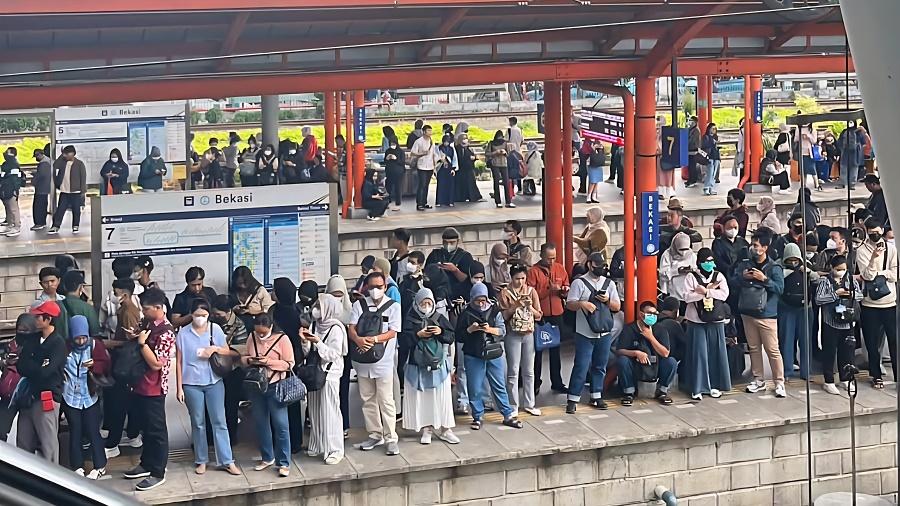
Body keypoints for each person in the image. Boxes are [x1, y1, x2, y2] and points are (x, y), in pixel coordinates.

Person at [175, 299, 240, 476]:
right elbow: (179, 361)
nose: (200, 319)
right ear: (191, 315)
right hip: (191, 383)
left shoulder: (215, 329)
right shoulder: (183, 333)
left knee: (220, 421)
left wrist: (214, 349)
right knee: (198, 423)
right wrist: (179, 387)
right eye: (197, 315)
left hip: (214, 381)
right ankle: (201, 459)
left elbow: (227, 351)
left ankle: (227, 460)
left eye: (203, 315)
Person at [122, 288, 176, 491]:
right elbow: (140, 336)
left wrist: (142, 344)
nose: (143, 312)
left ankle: (158, 471)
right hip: (139, 384)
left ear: (158, 308)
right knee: (145, 427)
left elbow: (156, 364)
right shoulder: (148, 323)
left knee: (156, 430)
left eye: (146, 308)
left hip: (154, 387)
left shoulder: (167, 332)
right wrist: (134, 336)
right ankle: (146, 463)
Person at [457, 283, 523, 430]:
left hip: (494, 353)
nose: (481, 304)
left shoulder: (495, 311)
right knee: (474, 387)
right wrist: (470, 329)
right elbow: (459, 336)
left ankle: (507, 414)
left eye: (483, 300)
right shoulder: (466, 313)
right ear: (472, 299)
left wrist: (489, 329)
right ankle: (477, 416)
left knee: (499, 384)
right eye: (477, 301)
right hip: (473, 354)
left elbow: (502, 331)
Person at [349, 272, 402, 455]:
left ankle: (391, 437)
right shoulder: (359, 305)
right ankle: (374, 433)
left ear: (385, 287)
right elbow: (352, 327)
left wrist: (373, 339)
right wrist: (357, 339)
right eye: (371, 287)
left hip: (384, 361)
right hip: (362, 361)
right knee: (367, 399)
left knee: (386, 400)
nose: (375, 290)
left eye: (379, 287)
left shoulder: (394, 307)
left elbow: (393, 331)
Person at [732, 228, 786, 397]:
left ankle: (779, 382)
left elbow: (780, 288)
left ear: (765, 247)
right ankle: (758, 379)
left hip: (767, 315)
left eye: (756, 245)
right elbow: (733, 281)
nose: (753, 248)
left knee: (772, 349)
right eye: (752, 245)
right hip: (748, 312)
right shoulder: (746, 264)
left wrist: (764, 279)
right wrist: (744, 277)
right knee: (754, 348)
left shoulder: (774, 267)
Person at [401, 288, 459, 444]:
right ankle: (427, 429)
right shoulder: (410, 318)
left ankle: (446, 429)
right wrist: (417, 335)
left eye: (429, 303)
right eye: (423, 303)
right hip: (417, 366)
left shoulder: (439, 318)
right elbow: (404, 342)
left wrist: (440, 331)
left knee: (441, 398)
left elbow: (451, 337)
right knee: (424, 399)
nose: (426, 306)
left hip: (438, 366)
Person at [565, 252, 621, 413]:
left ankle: (596, 395)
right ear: (590, 265)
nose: (601, 269)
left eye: (603, 266)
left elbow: (617, 307)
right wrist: (582, 304)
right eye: (597, 266)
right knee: (581, 365)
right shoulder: (579, 283)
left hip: (604, 331)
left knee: (600, 365)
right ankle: (573, 398)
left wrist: (607, 301)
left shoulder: (609, 284)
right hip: (584, 332)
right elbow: (569, 304)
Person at [242, 314, 294, 478]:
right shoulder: (251, 336)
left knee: (281, 424)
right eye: (258, 333)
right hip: (256, 385)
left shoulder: (282, 339)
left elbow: (289, 364)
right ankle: (267, 457)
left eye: (263, 333)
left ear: (271, 327)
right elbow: (244, 359)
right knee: (260, 422)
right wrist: (251, 360)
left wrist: (268, 362)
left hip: (276, 386)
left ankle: (284, 462)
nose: (260, 336)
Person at [15, 301, 66, 464]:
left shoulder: (58, 343)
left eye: (38, 317)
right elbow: (21, 365)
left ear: (48, 319)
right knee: (23, 442)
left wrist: (34, 365)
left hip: (47, 397)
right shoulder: (32, 339)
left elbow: (47, 372)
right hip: (28, 396)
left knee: (48, 443)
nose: (35, 320)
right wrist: (38, 364)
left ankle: (52, 480)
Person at [61, 315, 111, 478]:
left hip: (90, 396)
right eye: (77, 338)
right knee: (75, 431)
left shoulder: (96, 346)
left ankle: (100, 465)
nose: (81, 342)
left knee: (92, 430)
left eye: (83, 338)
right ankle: (77, 465)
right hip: (71, 396)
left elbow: (106, 365)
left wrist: (94, 366)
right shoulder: (65, 348)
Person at [302, 294, 347, 464]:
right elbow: (308, 351)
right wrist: (306, 341)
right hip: (314, 371)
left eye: (320, 306)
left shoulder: (336, 328)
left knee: (330, 410)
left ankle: (335, 449)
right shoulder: (315, 324)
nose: (316, 309)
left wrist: (318, 342)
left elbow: (333, 354)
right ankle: (317, 444)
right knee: (314, 408)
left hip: (330, 372)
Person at [856, 218, 898, 389]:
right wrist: (874, 259)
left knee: (894, 342)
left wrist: (881, 273)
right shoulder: (861, 251)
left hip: (890, 302)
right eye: (871, 231)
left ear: (882, 229)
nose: (875, 234)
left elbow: (895, 274)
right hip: (870, 304)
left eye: (877, 231)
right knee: (872, 344)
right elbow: (867, 276)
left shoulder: (891, 248)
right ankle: (876, 376)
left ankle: (897, 376)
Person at [814, 255, 863, 394]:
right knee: (829, 352)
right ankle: (829, 380)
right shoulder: (825, 281)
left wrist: (850, 293)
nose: (841, 272)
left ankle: (846, 379)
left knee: (846, 352)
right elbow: (818, 299)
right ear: (832, 268)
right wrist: (835, 294)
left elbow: (860, 295)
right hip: (830, 322)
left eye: (843, 269)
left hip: (848, 322)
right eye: (838, 269)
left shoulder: (851, 280)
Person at [499, 265, 542, 416]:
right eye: (517, 278)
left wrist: (529, 307)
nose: (521, 282)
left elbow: (539, 315)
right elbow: (503, 316)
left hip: (529, 333)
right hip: (512, 334)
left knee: (529, 371)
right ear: (511, 278)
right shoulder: (505, 293)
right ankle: (513, 405)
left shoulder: (531, 291)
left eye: (523, 278)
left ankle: (530, 403)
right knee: (513, 371)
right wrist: (515, 306)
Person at [615, 301, 677, 405]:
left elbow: (665, 353)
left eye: (654, 314)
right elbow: (620, 350)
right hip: (636, 365)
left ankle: (662, 391)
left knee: (671, 362)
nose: (652, 316)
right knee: (622, 361)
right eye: (649, 313)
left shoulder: (661, 329)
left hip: (655, 364)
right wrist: (636, 353)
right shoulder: (630, 329)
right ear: (641, 314)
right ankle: (629, 393)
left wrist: (651, 337)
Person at [527, 243, 569, 395]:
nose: (551, 261)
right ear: (541, 256)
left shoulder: (560, 268)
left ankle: (557, 382)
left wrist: (563, 291)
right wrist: (547, 290)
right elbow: (530, 295)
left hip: (557, 313)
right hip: (540, 314)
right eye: (548, 258)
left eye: (554, 258)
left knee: (555, 350)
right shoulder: (533, 271)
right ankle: (536, 382)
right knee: (537, 350)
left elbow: (566, 286)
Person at [778, 243, 817, 381]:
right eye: (790, 260)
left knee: (806, 341)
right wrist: (787, 272)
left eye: (796, 260)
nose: (793, 263)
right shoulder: (779, 267)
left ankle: (806, 372)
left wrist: (808, 272)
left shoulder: (806, 266)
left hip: (805, 309)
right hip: (786, 308)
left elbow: (817, 278)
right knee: (787, 341)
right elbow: (775, 280)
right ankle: (787, 371)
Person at [425, 227, 475, 301]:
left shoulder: (465, 257)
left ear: (457, 241)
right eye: (446, 242)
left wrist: (455, 270)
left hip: (458, 296)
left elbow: (467, 280)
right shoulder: (435, 255)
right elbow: (426, 275)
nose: (448, 245)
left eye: (452, 242)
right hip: (438, 295)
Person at [49, 145, 87, 235]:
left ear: (73, 153)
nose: (65, 155)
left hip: (76, 191)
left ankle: (75, 225)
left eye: (67, 153)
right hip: (64, 191)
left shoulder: (79, 164)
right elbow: (55, 165)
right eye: (64, 154)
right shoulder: (63, 162)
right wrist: (61, 156)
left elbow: (83, 178)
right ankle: (56, 226)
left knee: (76, 210)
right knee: (60, 210)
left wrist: (83, 191)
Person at [230, 266, 274, 331]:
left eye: (244, 283)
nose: (242, 286)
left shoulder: (260, 291)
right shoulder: (234, 292)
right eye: (239, 283)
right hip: (239, 326)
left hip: (257, 324)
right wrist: (234, 309)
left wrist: (251, 311)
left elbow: (269, 309)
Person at [61, 270, 101, 338]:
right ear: (81, 287)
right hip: (80, 345)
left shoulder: (56, 305)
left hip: (60, 346)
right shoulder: (87, 308)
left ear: (64, 286)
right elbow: (95, 332)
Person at [659, 232, 696, 301]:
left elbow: (696, 269)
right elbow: (662, 274)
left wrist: (691, 270)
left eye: (686, 249)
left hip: (689, 293)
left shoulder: (692, 255)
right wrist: (677, 271)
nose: (684, 252)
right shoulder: (667, 255)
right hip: (673, 293)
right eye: (681, 249)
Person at [712, 215, 750, 280]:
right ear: (723, 228)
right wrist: (732, 271)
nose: (733, 230)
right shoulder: (718, 243)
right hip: (726, 277)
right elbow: (718, 262)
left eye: (735, 227)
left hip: (743, 276)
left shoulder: (743, 241)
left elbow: (748, 257)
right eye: (730, 228)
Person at [410, 125, 438, 211]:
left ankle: (424, 202)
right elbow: (413, 153)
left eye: (431, 130)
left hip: (430, 166)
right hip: (421, 166)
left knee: (426, 185)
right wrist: (422, 153)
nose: (430, 132)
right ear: (424, 131)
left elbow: (433, 154)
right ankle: (419, 204)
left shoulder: (431, 141)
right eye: (428, 130)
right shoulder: (418, 141)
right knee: (421, 185)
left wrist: (434, 166)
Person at [0, 147, 23, 237]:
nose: (5, 154)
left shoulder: (14, 164)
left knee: (13, 208)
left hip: (11, 190)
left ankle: (16, 227)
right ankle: (10, 225)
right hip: (4, 190)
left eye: (7, 153)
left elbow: (15, 179)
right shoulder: (5, 164)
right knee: (8, 208)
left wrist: (14, 190)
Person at [487, 131, 514, 209]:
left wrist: (505, 152)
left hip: (504, 164)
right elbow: (487, 153)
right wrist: (495, 152)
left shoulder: (505, 143)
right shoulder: (491, 143)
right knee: (496, 182)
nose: (500, 138)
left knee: (506, 182)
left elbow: (509, 154)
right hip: (495, 164)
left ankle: (508, 201)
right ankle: (498, 201)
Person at [454, 135, 483, 203]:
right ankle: (461, 197)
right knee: (461, 184)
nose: (465, 140)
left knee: (470, 183)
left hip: (468, 169)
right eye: (463, 139)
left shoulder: (468, 148)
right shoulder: (457, 148)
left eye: (466, 139)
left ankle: (473, 196)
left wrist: (474, 158)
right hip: (461, 169)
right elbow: (460, 158)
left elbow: (471, 155)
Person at [30, 149, 52, 232]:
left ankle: (39, 223)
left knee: (38, 206)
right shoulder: (48, 162)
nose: (36, 158)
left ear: (39, 155)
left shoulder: (44, 163)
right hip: (45, 188)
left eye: (36, 156)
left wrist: (34, 179)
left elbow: (41, 175)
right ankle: (42, 222)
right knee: (43, 205)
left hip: (41, 188)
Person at [383, 137, 406, 211]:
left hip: (398, 172)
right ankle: (387, 202)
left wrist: (395, 158)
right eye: (391, 144)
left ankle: (398, 203)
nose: (392, 145)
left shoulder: (400, 151)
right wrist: (387, 158)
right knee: (388, 187)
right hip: (389, 172)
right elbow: (385, 161)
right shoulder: (388, 151)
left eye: (393, 143)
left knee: (398, 187)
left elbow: (402, 162)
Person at [436, 134, 457, 208]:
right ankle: (439, 201)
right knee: (441, 184)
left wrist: (453, 169)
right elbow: (436, 157)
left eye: (447, 142)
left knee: (450, 185)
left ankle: (450, 201)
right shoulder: (439, 148)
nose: (446, 143)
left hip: (449, 168)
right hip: (441, 168)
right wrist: (441, 159)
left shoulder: (451, 149)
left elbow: (454, 159)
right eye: (445, 142)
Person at [701, 123, 720, 196]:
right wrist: (713, 142)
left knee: (714, 173)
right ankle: (706, 187)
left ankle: (711, 187)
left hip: (716, 156)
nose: (714, 130)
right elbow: (704, 146)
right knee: (709, 173)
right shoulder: (706, 137)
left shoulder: (715, 137)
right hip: (709, 156)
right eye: (712, 128)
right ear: (709, 129)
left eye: (715, 129)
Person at [685, 116, 701, 188]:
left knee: (692, 166)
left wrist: (685, 143)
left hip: (693, 150)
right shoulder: (690, 129)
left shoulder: (696, 130)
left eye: (692, 121)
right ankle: (690, 180)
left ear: (695, 122)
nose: (690, 122)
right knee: (689, 166)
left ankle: (693, 180)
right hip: (689, 150)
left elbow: (692, 140)